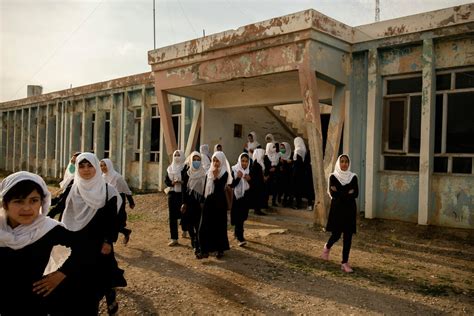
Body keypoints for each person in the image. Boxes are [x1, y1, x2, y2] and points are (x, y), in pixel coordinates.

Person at [0, 171, 80, 315]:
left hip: (34, 304)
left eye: (34, 200)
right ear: (5, 203)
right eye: (18, 201)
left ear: (42, 202)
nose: (27, 208)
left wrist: (62, 273)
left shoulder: (48, 229)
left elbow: (86, 248)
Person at [61, 152, 126, 314]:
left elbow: (114, 219)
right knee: (75, 283)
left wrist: (108, 240)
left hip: (97, 244)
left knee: (95, 284)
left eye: (90, 165)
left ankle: (107, 297)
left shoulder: (108, 191)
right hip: (75, 241)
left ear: (96, 166)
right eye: (81, 166)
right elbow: (61, 207)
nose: (86, 169)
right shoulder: (72, 186)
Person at [321, 154, 359, 273]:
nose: (344, 164)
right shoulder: (333, 176)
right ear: (338, 163)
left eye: (346, 162)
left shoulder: (353, 177)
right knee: (336, 235)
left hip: (349, 210)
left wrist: (341, 191)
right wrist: (348, 191)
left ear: (349, 163)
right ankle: (327, 247)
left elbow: (355, 193)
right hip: (337, 210)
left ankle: (344, 262)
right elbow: (334, 194)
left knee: (348, 237)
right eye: (342, 161)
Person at [198, 151, 231, 259]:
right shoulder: (209, 172)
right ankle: (204, 250)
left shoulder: (224, 173)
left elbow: (219, 189)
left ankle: (220, 249)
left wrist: (216, 177)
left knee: (219, 226)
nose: (216, 163)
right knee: (204, 226)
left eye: (218, 161)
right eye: (214, 160)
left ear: (221, 161)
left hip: (219, 203)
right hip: (209, 202)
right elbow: (206, 188)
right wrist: (203, 200)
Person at [100, 158, 135, 245]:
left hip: (118, 200)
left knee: (115, 221)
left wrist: (131, 202)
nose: (103, 167)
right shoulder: (102, 177)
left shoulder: (117, 177)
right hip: (107, 200)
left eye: (105, 165)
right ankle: (125, 232)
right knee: (107, 222)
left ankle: (110, 241)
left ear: (109, 165)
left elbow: (126, 189)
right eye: (101, 165)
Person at [181, 151, 206, 257]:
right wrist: (183, 203)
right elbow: (184, 189)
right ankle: (194, 242)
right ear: (191, 160)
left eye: (198, 159)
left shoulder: (204, 173)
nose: (196, 161)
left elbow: (205, 189)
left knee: (198, 225)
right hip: (189, 203)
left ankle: (198, 245)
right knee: (190, 225)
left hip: (199, 204)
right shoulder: (187, 173)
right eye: (194, 159)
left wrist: (203, 201)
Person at [164, 150, 186, 246]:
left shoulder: (185, 168)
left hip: (182, 194)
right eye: (175, 155)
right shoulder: (169, 168)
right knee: (172, 216)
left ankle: (185, 229)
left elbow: (188, 180)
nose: (177, 157)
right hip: (172, 193)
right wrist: (172, 183)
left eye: (178, 155)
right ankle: (174, 238)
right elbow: (166, 181)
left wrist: (182, 182)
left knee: (184, 213)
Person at [230, 153, 251, 246]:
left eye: (246, 161)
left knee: (243, 217)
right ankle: (240, 237)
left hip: (245, 197)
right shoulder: (234, 170)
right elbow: (231, 185)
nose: (244, 163)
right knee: (238, 217)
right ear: (239, 160)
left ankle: (237, 233)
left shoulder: (249, 171)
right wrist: (238, 178)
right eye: (242, 161)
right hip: (236, 197)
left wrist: (249, 179)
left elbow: (253, 185)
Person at [291, 137, 307, 209]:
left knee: (296, 188)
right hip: (301, 172)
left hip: (296, 172)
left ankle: (297, 205)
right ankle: (298, 203)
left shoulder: (298, 150)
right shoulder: (303, 150)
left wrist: (291, 162)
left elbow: (297, 162)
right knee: (299, 188)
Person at [250, 148, 267, 215]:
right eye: (262, 154)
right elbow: (256, 175)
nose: (263, 156)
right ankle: (257, 210)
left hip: (259, 184)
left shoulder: (259, 163)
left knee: (259, 197)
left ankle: (258, 209)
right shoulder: (257, 164)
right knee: (257, 197)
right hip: (257, 185)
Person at [264, 142, 281, 207]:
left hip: (275, 174)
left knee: (275, 188)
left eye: (274, 147)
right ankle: (266, 203)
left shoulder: (277, 155)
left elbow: (279, 165)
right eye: (273, 147)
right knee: (267, 189)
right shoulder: (266, 156)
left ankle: (274, 202)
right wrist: (269, 170)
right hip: (268, 175)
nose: (274, 148)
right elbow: (265, 165)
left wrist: (275, 168)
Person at [278, 142, 293, 207]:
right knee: (280, 188)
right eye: (281, 148)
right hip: (280, 175)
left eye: (283, 148)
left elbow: (291, 163)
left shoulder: (290, 155)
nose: (282, 149)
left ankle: (285, 201)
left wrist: (286, 162)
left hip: (287, 175)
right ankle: (278, 199)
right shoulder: (279, 155)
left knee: (287, 188)